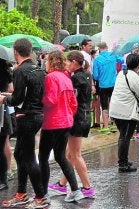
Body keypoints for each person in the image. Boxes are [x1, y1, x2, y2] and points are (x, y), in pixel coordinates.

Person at [0, 38, 47, 208]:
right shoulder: (39, 69)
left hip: (26, 117)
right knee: (20, 154)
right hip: (37, 115)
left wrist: (3, 99)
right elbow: (31, 95)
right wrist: (8, 96)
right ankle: (21, 193)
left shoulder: (21, 71)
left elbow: (17, 99)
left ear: (15, 52)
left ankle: (41, 197)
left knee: (28, 157)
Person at [38, 50, 84, 203]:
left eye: (47, 61)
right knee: (60, 156)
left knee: (43, 157)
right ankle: (76, 190)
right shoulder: (66, 78)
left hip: (52, 122)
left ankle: (43, 193)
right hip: (66, 121)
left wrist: (39, 100)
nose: (45, 64)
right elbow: (73, 103)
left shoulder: (50, 77)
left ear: (51, 61)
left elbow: (50, 100)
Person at [48, 51, 95, 199]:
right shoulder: (86, 75)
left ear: (74, 62)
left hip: (78, 119)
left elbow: (71, 99)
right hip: (85, 116)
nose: (66, 65)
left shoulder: (76, 78)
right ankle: (62, 185)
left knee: (75, 154)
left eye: (68, 62)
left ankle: (87, 187)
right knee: (69, 154)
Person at [109, 54, 139, 172]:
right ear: (138, 64)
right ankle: (123, 164)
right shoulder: (134, 76)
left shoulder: (121, 73)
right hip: (127, 112)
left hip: (116, 109)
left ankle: (124, 160)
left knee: (123, 136)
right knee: (125, 137)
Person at [92, 42, 123, 133]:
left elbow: (96, 76)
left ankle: (106, 126)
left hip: (103, 85)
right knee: (112, 104)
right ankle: (113, 125)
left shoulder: (97, 59)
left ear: (99, 48)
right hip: (114, 84)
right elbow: (121, 60)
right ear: (107, 47)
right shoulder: (113, 55)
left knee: (104, 105)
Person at [0, 59, 13, 191]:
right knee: (3, 145)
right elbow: (12, 89)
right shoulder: (6, 69)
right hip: (4, 110)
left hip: (2, 112)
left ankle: (3, 179)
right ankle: (3, 178)